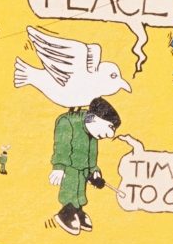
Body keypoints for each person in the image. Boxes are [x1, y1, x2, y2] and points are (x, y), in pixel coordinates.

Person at [49, 96, 120, 235]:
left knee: (80, 191)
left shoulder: (93, 133)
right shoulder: (68, 122)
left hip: (84, 168)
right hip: (69, 167)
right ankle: (66, 213)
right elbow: (61, 146)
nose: (111, 135)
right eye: (111, 126)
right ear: (95, 118)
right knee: (70, 189)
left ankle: (77, 211)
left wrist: (94, 170)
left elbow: (92, 153)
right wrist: (58, 166)